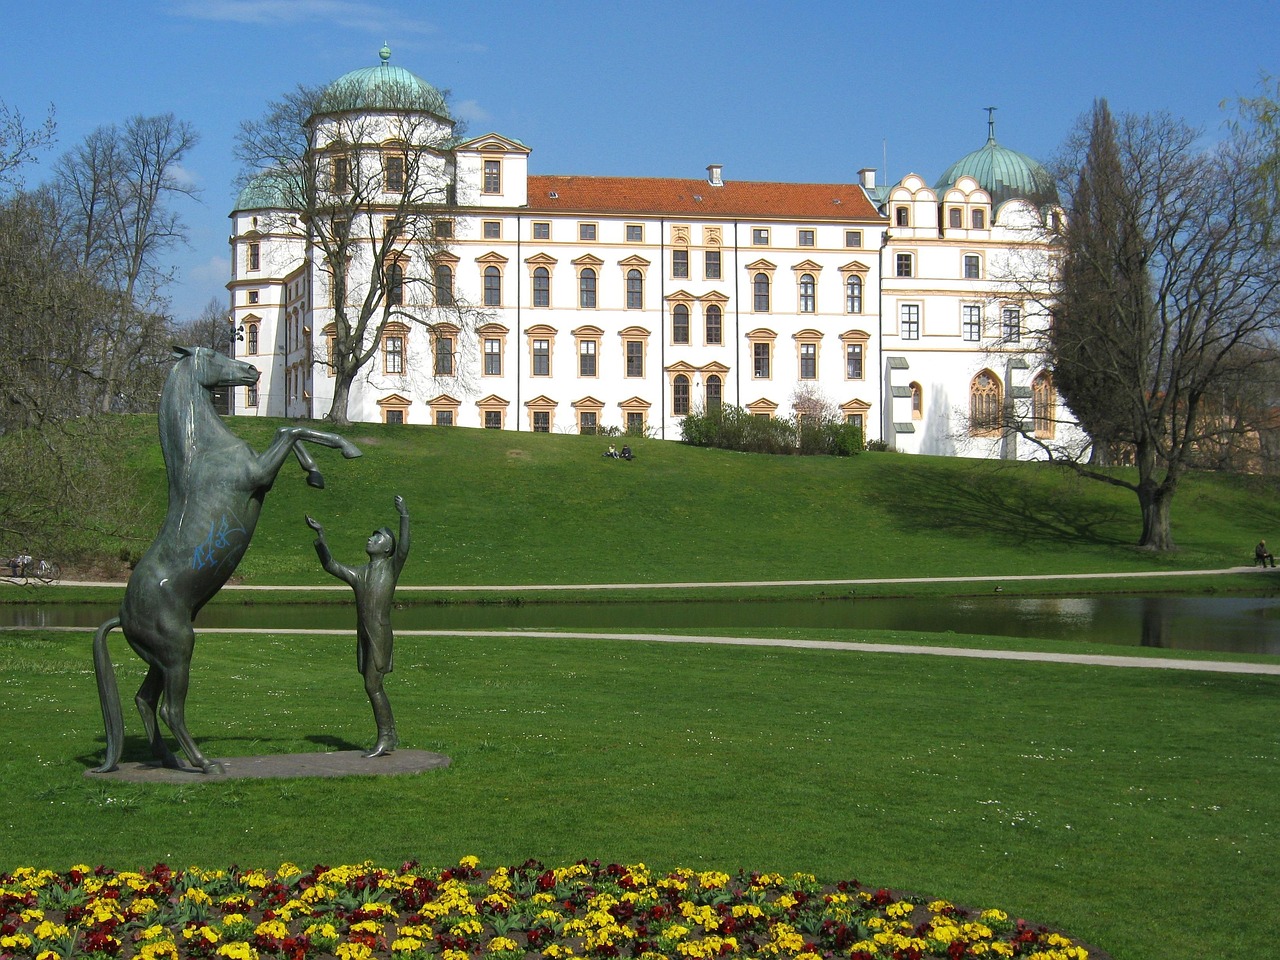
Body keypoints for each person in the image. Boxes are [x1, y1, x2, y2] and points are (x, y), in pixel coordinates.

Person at [306, 496, 411, 757]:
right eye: (372, 536)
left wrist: (404, 516)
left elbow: (405, 548)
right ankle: (390, 734)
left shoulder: (391, 567)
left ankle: (386, 736)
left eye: (377, 538)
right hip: (365, 637)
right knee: (371, 685)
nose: (370, 539)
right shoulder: (360, 574)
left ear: (387, 549)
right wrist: (321, 537)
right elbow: (330, 565)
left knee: (373, 686)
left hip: (380, 636)